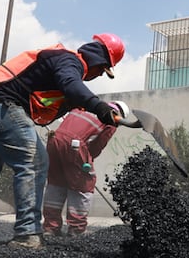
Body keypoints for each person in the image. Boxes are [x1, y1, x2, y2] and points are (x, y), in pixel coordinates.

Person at [0, 34, 126, 250]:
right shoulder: (71, 61)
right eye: (102, 70)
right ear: (98, 61)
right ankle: (27, 233)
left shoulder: (59, 61)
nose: (98, 75)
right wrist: (99, 107)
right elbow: (71, 84)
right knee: (34, 163)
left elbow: (52, 94)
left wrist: (73, 103)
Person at [43, 101, 129, 237]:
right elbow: (98, 146)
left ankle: (50, 228)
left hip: (54, 141)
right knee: (84, 183)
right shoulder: (110, 120)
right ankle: (76, 229)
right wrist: (88, 158)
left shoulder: (83, 108)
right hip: (75, 146)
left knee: (56, 182)